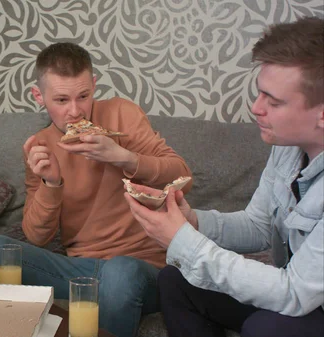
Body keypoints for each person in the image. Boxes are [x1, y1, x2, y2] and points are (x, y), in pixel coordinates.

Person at [0, 42, 192, 336]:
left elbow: (183, 177)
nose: (75, 111)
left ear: (94, 86)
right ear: (39, 96)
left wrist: (122, 157)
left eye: (83, 96)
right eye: (61, 100)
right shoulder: (40, 145)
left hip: (142, 270)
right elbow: (37, 236)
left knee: (120, 274)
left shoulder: (122, 114)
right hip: (81, 272)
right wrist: (52, 183)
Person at [125, 17, 324, 337]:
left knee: (267, 328)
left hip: (307, 299)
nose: (256, 108)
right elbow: (259, 226)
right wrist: (191, 222)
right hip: (298, 294)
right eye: (260, 94)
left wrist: (184, 242)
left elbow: (295, 293)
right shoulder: (287, 148)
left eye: (273, 102)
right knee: (175, 280)